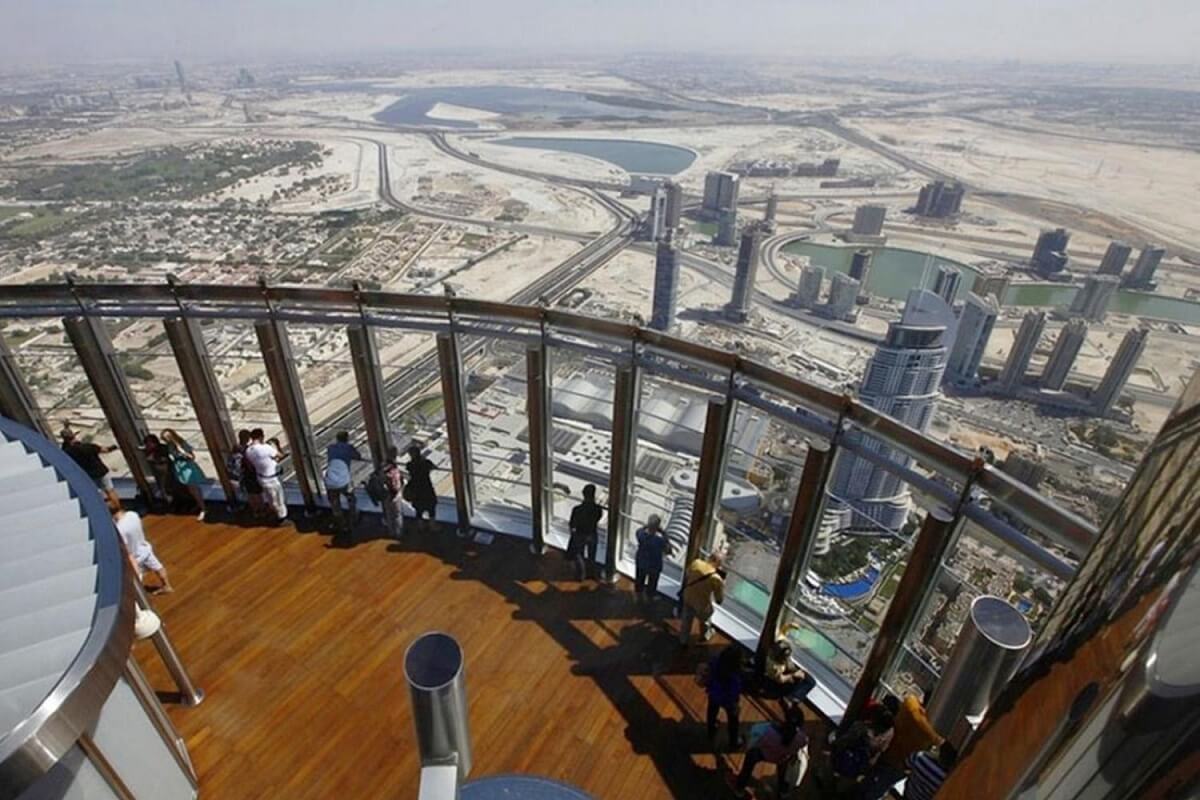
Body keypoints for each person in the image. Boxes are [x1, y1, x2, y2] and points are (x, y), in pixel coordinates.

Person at [731, 704, 808, 797]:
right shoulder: (802, 738)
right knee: (783, 767)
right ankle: (782, 790)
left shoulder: (767, 730)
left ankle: (740, 787)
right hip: (781, 758)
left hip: (764, 754)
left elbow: (753, 738)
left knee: (751, 756)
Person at [108, 498, 172, 593]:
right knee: (158, 567)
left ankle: (140, 595)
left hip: (135, 557)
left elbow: (126, 549)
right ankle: (167, 586)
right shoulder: (133, 514)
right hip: (144, 547)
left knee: (137, 577)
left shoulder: (120, 529)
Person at [61, 429, 120, 508]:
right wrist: (115, 446)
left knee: (97, 496)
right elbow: (105, 450)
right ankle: (118, 509)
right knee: (110, 491)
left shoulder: (67, 452)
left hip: (88, 476)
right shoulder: (88, 446)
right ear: (74, 436)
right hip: (101, 471)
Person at [679, 552, 725, 645]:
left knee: (686, 620)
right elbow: (719, 598)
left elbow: (688, 574)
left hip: (688, 597)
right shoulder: (716, 578)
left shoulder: (696, 563)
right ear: (718, 563)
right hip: (701, 604)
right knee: (706, 618)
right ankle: (704, 636)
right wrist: (722, 584)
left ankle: (683, 640)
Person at [161, 429, 208, 521]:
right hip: (180, 468)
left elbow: (191, 457)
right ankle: (199, 505)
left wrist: (181, 450)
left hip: (187, 467)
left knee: (194, 488)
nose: (168, 440)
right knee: (190, 489)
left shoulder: (182, 444)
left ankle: (203, 509)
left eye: (169, 437)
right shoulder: (169, 446)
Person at [705, 645, 744, 750]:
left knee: (712, 711)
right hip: (728, 701)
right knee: (733, 721)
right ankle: (733, 742)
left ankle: (711, 729)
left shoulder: (715, 662)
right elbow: (734, 693)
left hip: (714, 693)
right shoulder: (734, 676)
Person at [325, 431, 364, 531]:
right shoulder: (348, 448)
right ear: (347, 439)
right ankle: (354, 518)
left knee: (335, 503)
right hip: (343, 480)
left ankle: (340, 523)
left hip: (330, 480)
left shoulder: (330, 448)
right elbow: (358, 457)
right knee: (351, 498)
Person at [763, 635, 817, 708]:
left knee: (811, 681)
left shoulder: (780, 651)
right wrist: (794, 674)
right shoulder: (775, 666)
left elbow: (789, 663)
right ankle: (791, 698)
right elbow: (780, 680)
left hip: (787, 672)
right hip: (776, 681)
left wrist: (799, 671)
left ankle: (795, 697)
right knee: (806, 683)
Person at [245, 429, 286, 523]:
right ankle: (281, 518)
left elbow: (251, 465)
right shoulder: (266, 448)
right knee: (279, 499)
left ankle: (274, 513)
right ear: (261, 437)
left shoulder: (248, 451)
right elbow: (279, 455)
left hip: (261, 478)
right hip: (272, 478)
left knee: (270, 498)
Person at [634, 514, 673, 605]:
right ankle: (649, 599)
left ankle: (638, 598)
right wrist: (664, 533)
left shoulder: (641, 535)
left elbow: (639, 530)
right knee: (652, 584)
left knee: (639, 581)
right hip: (654, 566)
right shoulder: (660, 541)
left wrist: (647, 526)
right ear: (657, 527)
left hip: (641, 563)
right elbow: (668, 550)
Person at [567, 484, 603, 579]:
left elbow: (572, 524)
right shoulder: (598, 509)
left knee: (578, 553)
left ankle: (581, 573)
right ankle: (591, 572)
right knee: (592, 554)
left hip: (580, 533)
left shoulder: (577, 509)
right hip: (592, 533)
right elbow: (598, 518)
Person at [404, 444, 438, 533]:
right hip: (426, 487)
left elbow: (409, 469)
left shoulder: (410, 465)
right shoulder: (426, 463)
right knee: (431, 507)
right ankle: (432, 526)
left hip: (415, 488)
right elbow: (434, 467)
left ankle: (421, 526)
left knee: (418, 509)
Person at [233, 429, 264, 515]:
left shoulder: (236, 448)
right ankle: (261, 510)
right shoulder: (247, 449)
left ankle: (255, 511)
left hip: (242, 476)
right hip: (250, 474)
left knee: (250, 494)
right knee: (257, 493)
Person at [382, 446, 407, 538]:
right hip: (394, 492)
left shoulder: (383, 465)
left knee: (389, 513)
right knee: (397, 513)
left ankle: (391, 532)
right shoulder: (394, 466)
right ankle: (399, 533)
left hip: (385, 492)